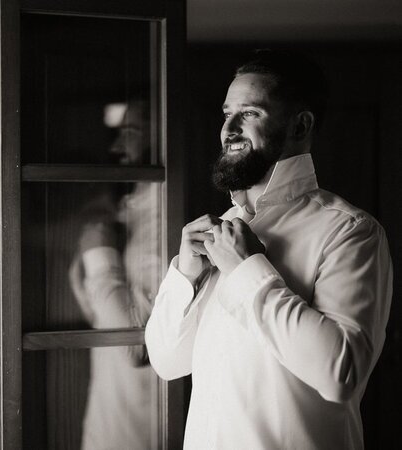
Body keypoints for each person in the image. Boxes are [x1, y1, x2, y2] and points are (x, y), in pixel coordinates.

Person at [145, 49, 393, 450]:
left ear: (300, 125)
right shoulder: (222, 230)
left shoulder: (349, 231)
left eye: (250, 113)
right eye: (227, 114)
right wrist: (185, 277)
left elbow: (341, 374)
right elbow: (168, 362)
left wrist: (248, 271)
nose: (229, 129)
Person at [69, 100, 161, 450]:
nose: (115, 147)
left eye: (130, 133)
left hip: (144, 427)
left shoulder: (162, 226)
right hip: (109, 415)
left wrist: (99, 257)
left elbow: (137, 349)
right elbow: (98, 317)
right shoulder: (125, 215)